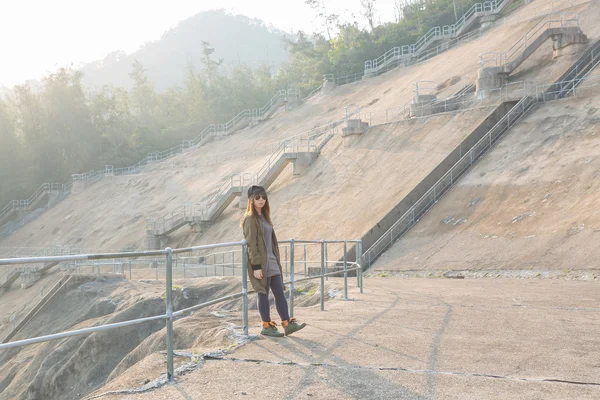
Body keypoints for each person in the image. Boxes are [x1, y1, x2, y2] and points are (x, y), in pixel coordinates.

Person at [240, 185, 306, 337]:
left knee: (279, 293)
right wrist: (256, 266)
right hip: (261, 263)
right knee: (263, 293)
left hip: (272, 260)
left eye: (263, 197)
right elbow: (251, 244)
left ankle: (287, 323)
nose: (261, 200)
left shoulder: (264, 216)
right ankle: (266, 326)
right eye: (257, 197)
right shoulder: (250, 219)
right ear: (251, 200)